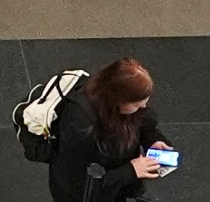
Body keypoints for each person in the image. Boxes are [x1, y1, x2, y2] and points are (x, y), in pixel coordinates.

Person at [44, 57, 171, 202]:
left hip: (114, 185)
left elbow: (144, 126)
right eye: (136, 105)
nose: (142, 108)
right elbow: (78, 183)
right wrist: (131, 170)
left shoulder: (122, 105)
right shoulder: (80, 124)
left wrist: (154, 141)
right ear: (119, 99)